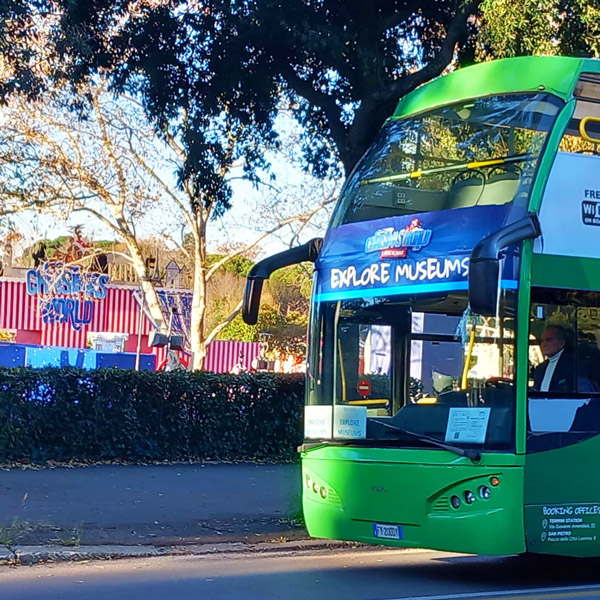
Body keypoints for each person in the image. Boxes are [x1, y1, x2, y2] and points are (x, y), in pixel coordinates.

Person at [532, 325, 575, 393]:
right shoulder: (540, 368)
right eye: (542, 341)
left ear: (561, 343)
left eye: (548, 340)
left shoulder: (572, 365)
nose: (544, 344)